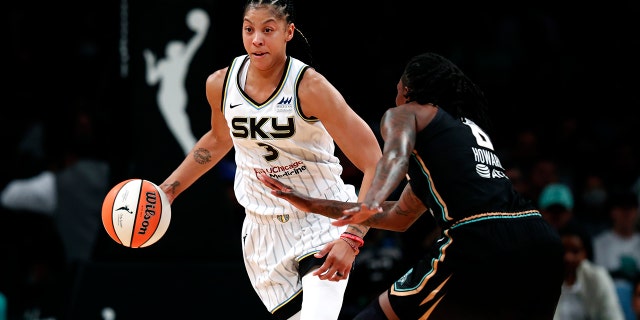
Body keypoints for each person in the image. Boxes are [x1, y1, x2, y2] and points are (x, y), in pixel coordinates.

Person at [258, 52, 564, 319]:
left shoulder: (407, 113)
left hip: (480, 236)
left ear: (406, 89)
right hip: (540, 239)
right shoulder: (458, 135)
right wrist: (312, 203)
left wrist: (370, 199)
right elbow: (398, 217)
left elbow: (393, 158)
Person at [158, 1, 382, 319]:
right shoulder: (220, 85)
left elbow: (376, 161)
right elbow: (219, 139)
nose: (257, 40)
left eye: (267, 30)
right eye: (249, 29)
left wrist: (353, 236)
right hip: (263, 232)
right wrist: (169, 189)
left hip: (320, 218)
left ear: (288, 32)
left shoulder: (311, 87)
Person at [554, 221, 625, 320]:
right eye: (564, 250)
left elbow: (613, 316)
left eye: (575, 251)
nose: (568, 257)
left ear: (585, 253)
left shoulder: (597, 277)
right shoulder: (546, 278)